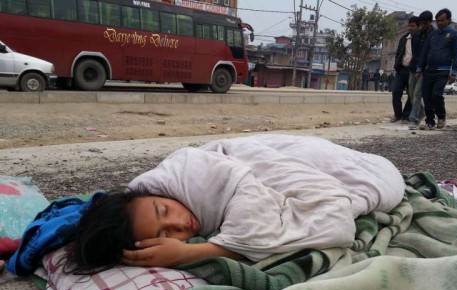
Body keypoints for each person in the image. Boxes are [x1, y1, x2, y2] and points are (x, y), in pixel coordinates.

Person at [69, 134, 406, 271]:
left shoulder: (193, 173)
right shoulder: (182, 204)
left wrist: (193, 252)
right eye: (166, 234)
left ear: (157, 192)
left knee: (383, 185)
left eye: (165, 210)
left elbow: (334, 216)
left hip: (345, 163)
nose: (180, 224)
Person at [416, 8, 457, 130]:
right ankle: (429, 121)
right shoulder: (432, 35)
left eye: (442, 20)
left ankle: (441, 117)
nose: (439, 23)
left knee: (436, 95)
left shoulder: (455, 35)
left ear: (449, 20)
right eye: (437, 21)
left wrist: (453, 73)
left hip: (443, 71)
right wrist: (419, 69)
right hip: (429, 70)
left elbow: (456, 54)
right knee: (426, 96)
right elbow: (424, 53)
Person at [407, 10, 434, 130]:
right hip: (414, 67)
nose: (422, 26)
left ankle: (413, 119)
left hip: (424, 69)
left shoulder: (433, 35)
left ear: (429, 22)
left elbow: (428, 54)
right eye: (421, 24)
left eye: (424, 24)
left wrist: (422, 68)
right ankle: (421, 113)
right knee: (411, 93)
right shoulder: (416, 35)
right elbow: (415, 52)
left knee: (418, 94)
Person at [391, 16, 419, 123]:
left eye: (413, 26)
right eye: (410, 26)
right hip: (401, 69)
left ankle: (406, 116)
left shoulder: (421, 39)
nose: (411, 28)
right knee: (396, 92)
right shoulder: (404, 39)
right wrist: (397, 65)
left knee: (411, 94)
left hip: (413, 71)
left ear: (418, 26)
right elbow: (399, 53)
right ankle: (398, 115)